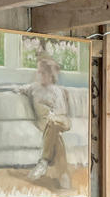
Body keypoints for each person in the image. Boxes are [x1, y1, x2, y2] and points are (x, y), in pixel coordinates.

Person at [12, 53, 71, 188]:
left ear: (51, 75)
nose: (39, 75)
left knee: (55, 123)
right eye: (38, 72)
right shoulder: (33, 87)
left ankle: (43, 162)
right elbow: (18, 89)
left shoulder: (57, 91)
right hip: (45, 123)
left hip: (61, 121)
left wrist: (55, 116)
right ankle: (62, 174)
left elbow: (62, 112)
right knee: (55, 132)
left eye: (43, 72)